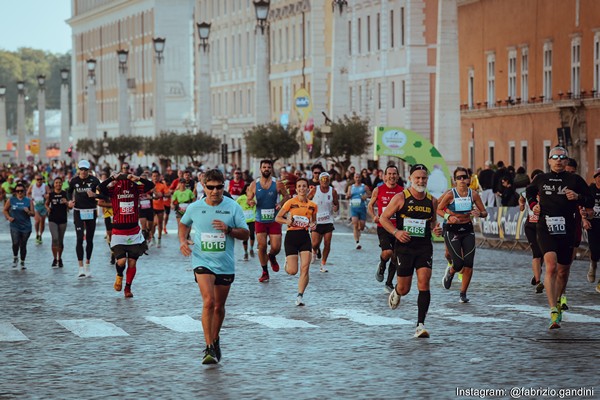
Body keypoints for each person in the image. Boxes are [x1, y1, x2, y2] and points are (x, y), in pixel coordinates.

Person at [178, 169, 249, 365]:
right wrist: (183, 241)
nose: (215, 191)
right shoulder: (195, 207)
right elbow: (183, 224)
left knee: (219, 306)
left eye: (219, 187)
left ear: (223, 187)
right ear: (204, 186)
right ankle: (208, 347)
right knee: (208, 301)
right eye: (211, 187)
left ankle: (215, 339)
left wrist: (228, 230)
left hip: (225, 264)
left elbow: (245, 234)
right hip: (202, 261)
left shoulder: (233, 207)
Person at [526, 146, 593, 329]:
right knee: (551, 266)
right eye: (554, 157)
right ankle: (553, 309)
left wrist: (578, 196)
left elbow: (590, 200)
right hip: (545, 227)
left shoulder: (574, 180)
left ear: (566, 160)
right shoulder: (541, 179)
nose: (558, 160)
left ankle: (558, 299)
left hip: (567, 228)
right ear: (549, 161)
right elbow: (529, 192)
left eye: (562, 157)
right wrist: (533, 205)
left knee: (563, 271)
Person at [379, 164, 443, 338]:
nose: (421, 181)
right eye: (417, 178)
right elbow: (383, 218)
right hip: (404, 248)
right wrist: (396, 232)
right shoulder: (401, 198)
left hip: (423, 247)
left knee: (424, 282)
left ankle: (420, 325)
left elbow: (432, 223)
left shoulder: (432, 200)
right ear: (410, 178)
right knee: (405, 288)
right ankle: (397, 291)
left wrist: (436, 230)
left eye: (424, 178)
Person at [98, 169, 154, 298]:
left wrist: (137, 178)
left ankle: (128, 288)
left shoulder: (135, 188)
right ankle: (119, 275)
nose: (124, 181)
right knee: (122, 261)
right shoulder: (114, 189)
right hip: (118, 232)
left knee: (132, 263)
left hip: (133, 232)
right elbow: (100, 187)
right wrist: (112, 178)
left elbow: (151, 185)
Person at [438, 167, 488, 303]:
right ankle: (450, 272)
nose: (461, 180)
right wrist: (449, 216)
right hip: (452, 229)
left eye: (464, 177)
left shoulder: (474, 194)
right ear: (454, 180)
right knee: (458, 263)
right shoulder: (450, 194)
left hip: (467, 229)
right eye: (458, 177)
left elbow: (485, 212)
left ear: (468, 179)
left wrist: (479, 214)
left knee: (469, 263)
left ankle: (463, 293)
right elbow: (438, 209)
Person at [276, 178, 318, 306]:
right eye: (299, 186)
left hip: (305, 237)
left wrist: (313, 225)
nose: (301, 188)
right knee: (293, 271)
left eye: (304, 186)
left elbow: (313, 222)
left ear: (307, 188)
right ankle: (287, 263)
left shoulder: (313, 206)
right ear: (296, 188)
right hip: (291, 237)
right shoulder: (290, 203)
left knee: (305, 268)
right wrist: (287, 221)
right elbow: (278, 217)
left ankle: (300, 296)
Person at [247, 159, 290, 283]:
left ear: (271, 169)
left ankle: (271, 256)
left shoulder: (278, 183)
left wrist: (280, 203)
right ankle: (265, 271)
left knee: (276, 247)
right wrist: (251, 202)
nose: (266, 169)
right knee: (262, 246)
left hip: (274, 219)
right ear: (260, 169)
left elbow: (287, 196)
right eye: (264, 167)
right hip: (260, 220)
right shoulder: (254, 184)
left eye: (268, 167)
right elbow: (249, 199)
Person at [368, 165, 404, 292]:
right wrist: (373, 216)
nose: (392, 176)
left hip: (397, 227)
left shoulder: (402, 191)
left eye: (394, 174)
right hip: (383, 226)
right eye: (389, 174)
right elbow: (370, 205)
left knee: (395, 256)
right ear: (384, 176)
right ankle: (382, 265)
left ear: (397, 176)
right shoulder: (378, 190)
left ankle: (389, 283)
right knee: (387, 252)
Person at [68, 160, 101, 278]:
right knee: (79, 238)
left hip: (91, 211)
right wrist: (69, 201)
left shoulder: (94, 180)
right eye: (81, 169)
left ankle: (88, 264)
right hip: (78, 211)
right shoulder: (74, 180)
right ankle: (80, 267)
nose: (83, 172)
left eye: (85, 170)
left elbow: (104, 194)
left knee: (90, 239)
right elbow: (69, 192)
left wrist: (95, 195)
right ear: (78, 170)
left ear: (88, 170)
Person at [518, 169, 545, 293]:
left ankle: (536, 274)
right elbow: (521, 198)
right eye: (535, 179)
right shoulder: (527, 190)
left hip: (544, 225)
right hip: (531, 225)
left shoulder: (546, 191)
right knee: (536, 253)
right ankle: (539, 281)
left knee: (544, 253)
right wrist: (522, 205)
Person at [308, 172, 339, 273]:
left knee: (327, 243)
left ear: (329, 181)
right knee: (315, 243)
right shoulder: (315, 190)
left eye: (327, 179)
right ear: (320, 181)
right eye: (323, 179)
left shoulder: (333, 191)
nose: (325, 182)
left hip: (328, 221)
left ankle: (323, 264)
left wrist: (335, 208)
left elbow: (336, 204)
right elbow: (306, 200)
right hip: (316, 221)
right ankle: (314, 251)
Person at [3, 182, 33, 269]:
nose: (19, 193)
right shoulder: (11, 200)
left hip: (26, 227)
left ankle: (22, 262)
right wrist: (8, 217)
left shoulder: (28, 200)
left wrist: (28, 211)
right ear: (15, 192)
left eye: (21, 191)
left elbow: (33, 214)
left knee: (23, 245)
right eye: (18, 191)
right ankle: (15, 257)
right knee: (15, 243)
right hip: (15, 225)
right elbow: (5, 210)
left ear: (24, 191)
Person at [46, 177, 71, 268]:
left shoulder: (65, 193)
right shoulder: (51, 194)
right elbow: (46, 203)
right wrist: (48, 208)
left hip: (63, 219)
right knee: (55, 238)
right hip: (52, 218)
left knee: (60, 240)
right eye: (56, 183)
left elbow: (70, 205)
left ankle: (59, 258)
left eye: (60, 183)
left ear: (62, 184)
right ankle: (54, 258)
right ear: (54, 184)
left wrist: (67, 203)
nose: (58, 184)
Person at [346, 172, 371, 249]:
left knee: (362, 226)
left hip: (362, 207)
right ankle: (357, 242)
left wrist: (365, 196)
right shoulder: (351, 187)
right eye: (356, 177)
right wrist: (348, 196)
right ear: (354, 178)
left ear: (361, 178)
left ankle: (359, 231)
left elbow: (370, 194)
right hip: (354, 208)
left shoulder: (364, 186)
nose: (357, 179)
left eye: (359, 177)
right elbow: (347, 196)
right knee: (355, 224)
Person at [585, 168, 600, 292]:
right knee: (594, 250)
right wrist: (584, 220)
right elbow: (582, 206)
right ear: (595, 178)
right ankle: (593, 264)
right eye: (598, 176)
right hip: (593, 223)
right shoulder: (590, 190)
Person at [27, 173, 50, 244]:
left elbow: (50, 194)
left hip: (43, 206)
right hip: (35, 205)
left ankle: (40, 235)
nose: (39, 181)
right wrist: (31, 199)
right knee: (37, 220)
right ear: (35, 180)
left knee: (42, 222)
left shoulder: (45, 186)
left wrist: (46, 196)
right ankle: (37, 233)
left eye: (41, 179)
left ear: (43, 179)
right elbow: (28, 193)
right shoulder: (32, 186)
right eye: (38, 179)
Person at [236, 183, 256, 261]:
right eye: (248, 189)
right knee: (245, 237)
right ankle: (245, 252)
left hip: (252, 220)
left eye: (250, 189)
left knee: (252, 235)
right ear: (245, 190)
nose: (249, 191)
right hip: (243, 220)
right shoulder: (241, 198)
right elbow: (235, 205)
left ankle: (251, 249)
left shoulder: (254, 198)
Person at [150, 171, 169, 247]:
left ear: (159, 177)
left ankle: (159, 239)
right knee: (152, 224)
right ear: (151, 177)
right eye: (154, 176)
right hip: (151, 207)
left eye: (156, 176)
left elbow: (168, 194)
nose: (155, 177)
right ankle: (152, 239)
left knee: (159, 223)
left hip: (160, 207)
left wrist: (163, 194)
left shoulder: (162, 185)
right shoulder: (149, 185)